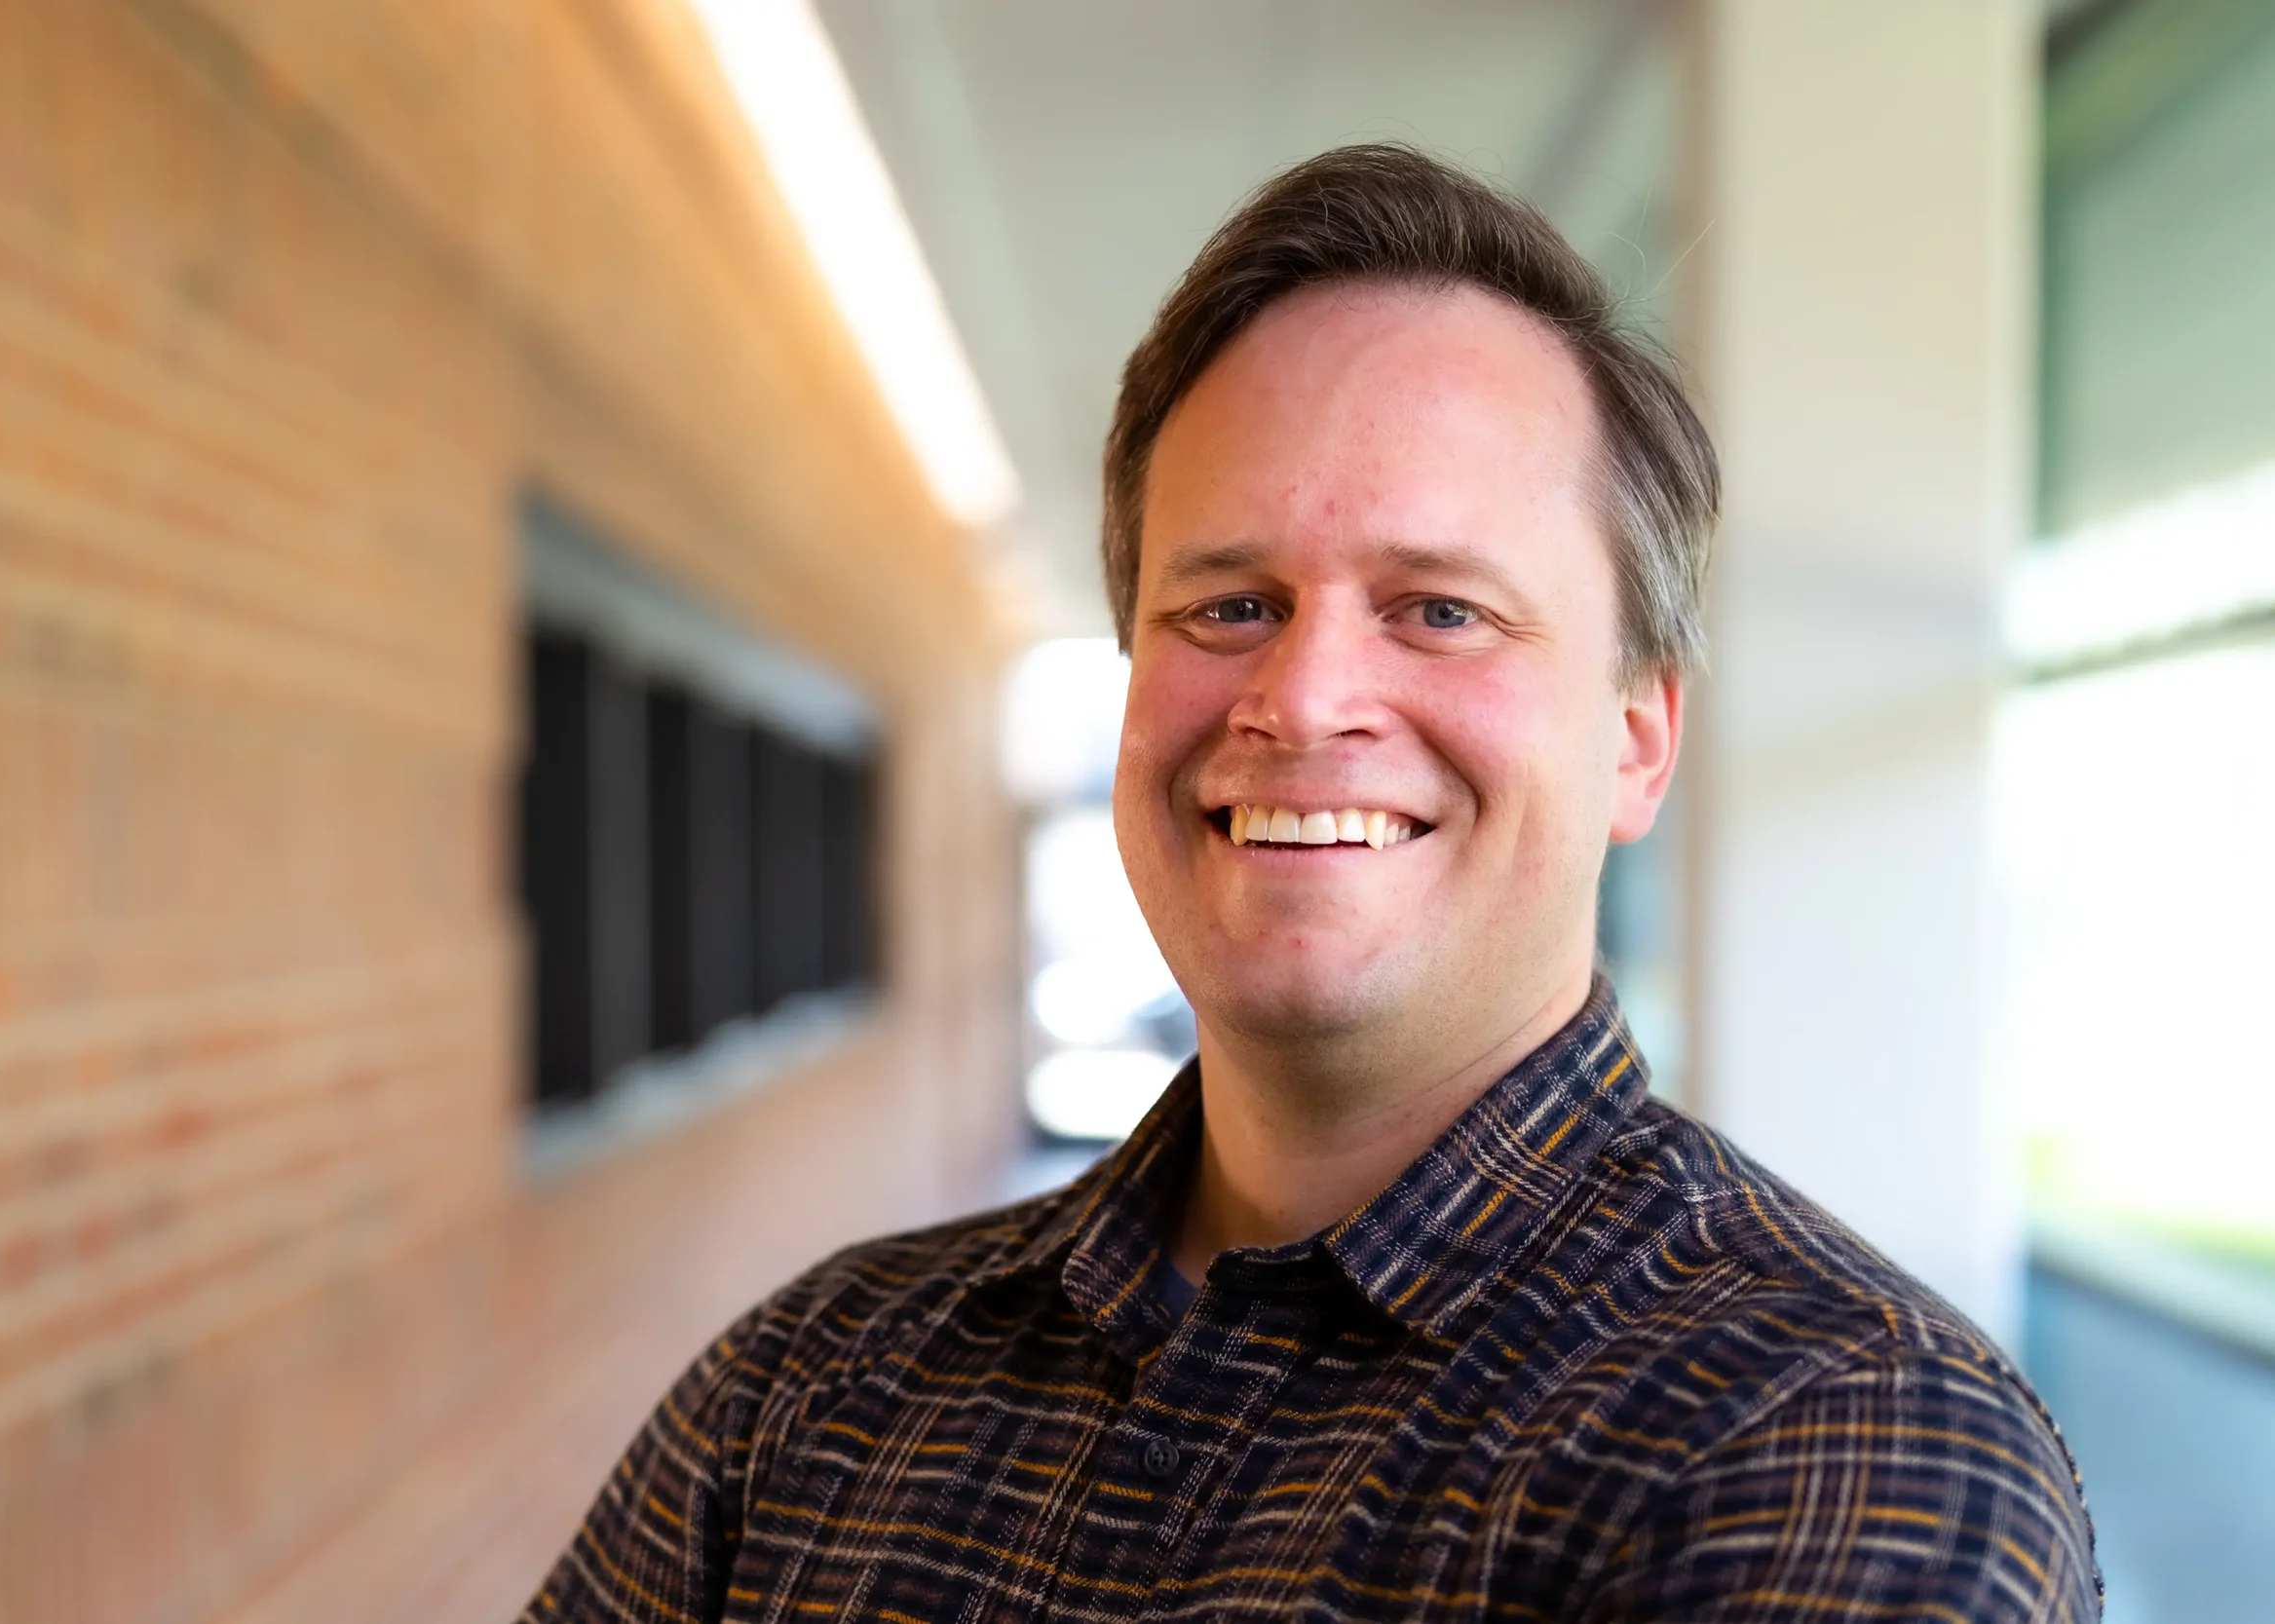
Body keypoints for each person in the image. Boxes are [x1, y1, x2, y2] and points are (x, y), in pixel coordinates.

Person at [521, 144, 2100, 1622]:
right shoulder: (812, 1386)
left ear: (1635, 741)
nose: (1302, 696)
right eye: (1229, 604)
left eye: (1438, 610)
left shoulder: (1833, 1442)